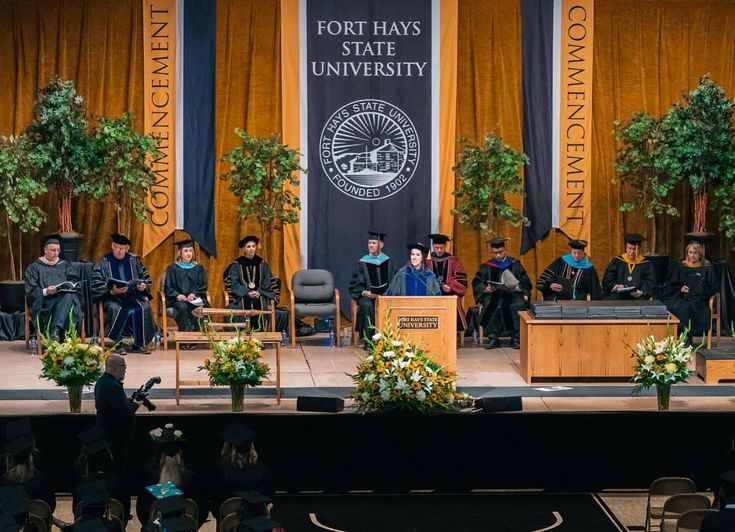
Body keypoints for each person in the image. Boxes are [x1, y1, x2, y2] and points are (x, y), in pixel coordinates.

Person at [91, 233, 155, 354]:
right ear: (112, 246)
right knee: (115, 308)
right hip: (112, 298)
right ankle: (118, 344)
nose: (120, 251)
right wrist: (111, 291)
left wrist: (142, 287)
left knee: (143, 307)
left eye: (123, 249)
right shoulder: (103, 262)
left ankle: (139, 344)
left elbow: (145, 279)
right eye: (118, 248)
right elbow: (96, 283)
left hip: (133, 296)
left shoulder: (134, 261)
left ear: (127, 248)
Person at [136, 423, 208, 527]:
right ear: (180, 454)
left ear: (160, 455)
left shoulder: (151, 477)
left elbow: (142, 512)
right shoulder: (191, 478)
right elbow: (202, 510)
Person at [472, 237, 531, 349]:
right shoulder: (486, 266)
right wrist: (485, 289)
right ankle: (493, 338)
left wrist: (518, 287)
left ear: (505, 250)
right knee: (490, 303)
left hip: (513, 295)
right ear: (491, 252)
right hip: (493, 294)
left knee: (518, 304)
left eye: (500, 252)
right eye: (495, 253)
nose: (498, 255)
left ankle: (516, 338)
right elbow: (477, 282)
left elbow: (526, 282)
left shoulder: (515, 264)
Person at [210, 422, 274, 521]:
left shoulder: (220, 468)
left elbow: (215, 497)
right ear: (251, 446)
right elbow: (269, 497)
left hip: (228, 523)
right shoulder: (262, 471)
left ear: (227, 445)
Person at [24, 234, 82, 341]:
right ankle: (57, 332)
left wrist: (70, 285)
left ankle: (55, 331)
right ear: (45, 250)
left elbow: (74, 281)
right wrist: (46, 291)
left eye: (58, 250)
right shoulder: (34, 267)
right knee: (68, 299)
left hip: (63, 299)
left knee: (69, 296)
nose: (56, 253)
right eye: (52, 250)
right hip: (45, 304)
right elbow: (30, 291)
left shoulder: (65, 265)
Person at [662, 240, 717, 344]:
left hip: (700, 299)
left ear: (700, 254)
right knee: (671, 305)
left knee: (688, 307)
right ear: (687, 253)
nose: (692, 255)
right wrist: (680, 288)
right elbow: (671, 284)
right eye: (690, 252)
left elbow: (712, 287)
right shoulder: (681, 266)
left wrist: (699, 291)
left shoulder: (707, 268)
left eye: (695, 253)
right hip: (681, 296)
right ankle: (675, 335)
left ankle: (688, 337)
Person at [94, 354, 139, 479]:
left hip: (105, 432)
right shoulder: (113, 386)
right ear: (115, 368)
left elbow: (112, 404)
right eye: (124, 367)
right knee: (119, 470)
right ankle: (120, 494)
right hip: (116, 436)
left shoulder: (101, 381)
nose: (125, 369)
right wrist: (136, 404)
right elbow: (124, 412)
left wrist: (127, 401)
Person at [224, 235, 276, 331]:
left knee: (261, 304)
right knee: (238, 307)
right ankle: (241, 338)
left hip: (259, 296)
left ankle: (260, 338)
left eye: (253, 246)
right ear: (244, 249)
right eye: (248, 247)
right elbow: (234, 283)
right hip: (242, 296)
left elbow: (268, 281)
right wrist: (247, 292)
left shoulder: (262, 264)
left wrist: (259, 292)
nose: (251, 249)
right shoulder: (237, 265)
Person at [349, 231, 393, 343]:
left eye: (374, 242)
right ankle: (369, 341)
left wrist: (387, 292)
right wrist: (365, 293)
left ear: (381, 245)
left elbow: (392, 280)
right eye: (369, 243)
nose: (371, 245)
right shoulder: (362, 262)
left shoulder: (387, 261)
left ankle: (388, 338)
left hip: (384, 296)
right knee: (367, 305)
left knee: (392, 304)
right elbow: (355, 285)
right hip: (367, 296)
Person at [163, 238, 209, 335]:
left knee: (196, 305)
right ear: (180, 253)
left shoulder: (199, 268)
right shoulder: (172, 269)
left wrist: (194, 294)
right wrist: (178, 295)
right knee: (182, 307)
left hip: (195, 298)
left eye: (191, 251)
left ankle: (196, 335)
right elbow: (168, 287)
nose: (189, 253)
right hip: (178, 300)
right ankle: (183, 336)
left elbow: (203, 285)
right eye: (185, 251)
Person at [426, 233, 468, 331]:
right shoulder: (427, 260)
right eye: (437, 248)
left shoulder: (453, 260)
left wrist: (450, 287)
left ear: (445, 246)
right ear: (433, 246)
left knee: (454, 302)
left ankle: (452, 333)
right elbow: (423, 277)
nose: (439, 250)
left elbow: (460, 278)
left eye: (441, 247)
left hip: (449, 294)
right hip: (431, 295)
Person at [536, 239, 603, 301]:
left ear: (583, 253)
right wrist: (550, 285)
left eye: (579, 253)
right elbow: (542, 280)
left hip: (578, 303)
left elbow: (595, 290)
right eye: (574, 253)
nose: (576, 256)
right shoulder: (561, 261)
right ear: (571, 252)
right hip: (558, 300)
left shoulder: (588, 268)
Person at [602, 233, 656, 300]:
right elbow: (608, 280)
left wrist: (642, 292)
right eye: (629, 248)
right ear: (626, 247)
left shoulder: (646, 264)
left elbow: (650, 282)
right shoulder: (617, 261)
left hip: (638, 298)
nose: (631, 251)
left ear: (639, 249)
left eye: (634, 249)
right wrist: (615, 286)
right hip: (619, 297)